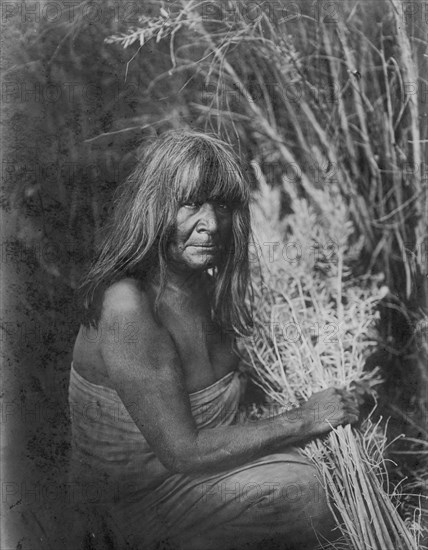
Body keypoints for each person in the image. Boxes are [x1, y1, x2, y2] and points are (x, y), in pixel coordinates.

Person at [68, 129, 360, 550]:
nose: (211, 224)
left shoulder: (207, 290)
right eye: (190, 204)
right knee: (305, 490)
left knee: (329, 473)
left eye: (222, 205)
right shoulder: (128, 305)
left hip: (199, 481)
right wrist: (304, 419)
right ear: (154, 209)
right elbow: (183, 452)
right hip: (134, 510)